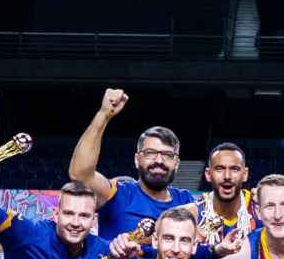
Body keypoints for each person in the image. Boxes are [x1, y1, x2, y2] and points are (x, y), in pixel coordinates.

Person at [68, 88, 196, 241]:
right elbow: (79, 174)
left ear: (176, 163)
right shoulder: (118, 194)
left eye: (167, 155)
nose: (159, 161)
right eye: (150, 153)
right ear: (137, 159)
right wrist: (103, 115)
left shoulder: (186, 201)